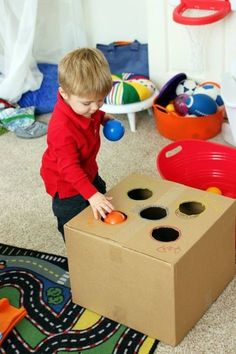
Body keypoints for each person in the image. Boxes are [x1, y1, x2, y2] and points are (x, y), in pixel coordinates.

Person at [40, 48, 115, 239]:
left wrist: (103, 117)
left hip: (88, 168)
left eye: (101, 100)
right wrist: (91, 195)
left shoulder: (87, 109)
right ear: (64, 94)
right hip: (66, 184)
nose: (95, 107)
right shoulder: (61, 128)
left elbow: (94, 112)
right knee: (73, 223)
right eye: (87, 102)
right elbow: (69, 168)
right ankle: (78, 250)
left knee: (101, 201)